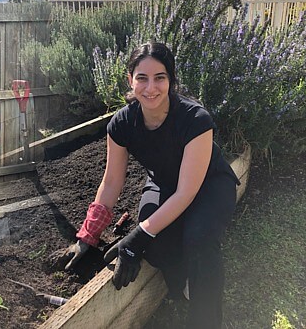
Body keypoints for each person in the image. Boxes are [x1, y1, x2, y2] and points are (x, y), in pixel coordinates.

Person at [61, 42, 239, 328]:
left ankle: (205, 317)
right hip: (165, 183)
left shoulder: (195, 120)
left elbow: (187, 192)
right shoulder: (121, 124)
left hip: (209, 186)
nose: (150, 87)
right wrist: (87, 236)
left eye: (160, 77)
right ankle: (183, 282)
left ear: (171, 80)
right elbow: (111, 182)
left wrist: (139, 235)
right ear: (130, 79)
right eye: (142, 78)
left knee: (199, 238)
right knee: (154, 245)